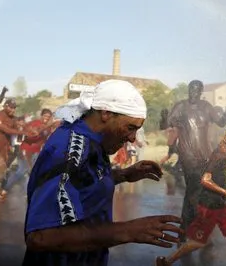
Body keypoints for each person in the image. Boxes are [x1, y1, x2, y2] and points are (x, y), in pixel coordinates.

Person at [23, 79, 183, 266]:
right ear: (106, 113)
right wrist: (127, 231)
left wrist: (123, 175)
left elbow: (81, 181)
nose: (132, 138)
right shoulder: (69, 149)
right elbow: (40, 237)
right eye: (130, 127)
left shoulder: (95, 141)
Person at [156, 127, 226, 266]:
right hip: (209, 207)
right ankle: (167, 261)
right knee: (197, 242)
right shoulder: (219, 155)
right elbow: (205, 180)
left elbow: (217, 177)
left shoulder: (223, 152)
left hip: (221, 206)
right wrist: (225, 192)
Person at [167, 80, 226, 237]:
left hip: (206, 155)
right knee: (193, 190)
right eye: (191, 90)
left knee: (204, 190)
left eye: (196, 91)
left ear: (201, 92)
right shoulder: (181, 106)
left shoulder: (206, 106)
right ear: (188, 90)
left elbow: (221, 123)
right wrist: (166, 118)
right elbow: (168, 122)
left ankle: (195, 225)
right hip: (188, 155)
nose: (193, 93)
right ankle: (185, 228)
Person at [0, 99, 28, 202]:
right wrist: (23, 132)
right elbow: (6, 130)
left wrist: (26, 128)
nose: (13, 109)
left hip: (5, 147)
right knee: (0, 167)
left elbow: (17, 126)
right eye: (11, 107)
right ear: (5, 106)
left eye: (14, 107)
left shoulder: (12, 119)